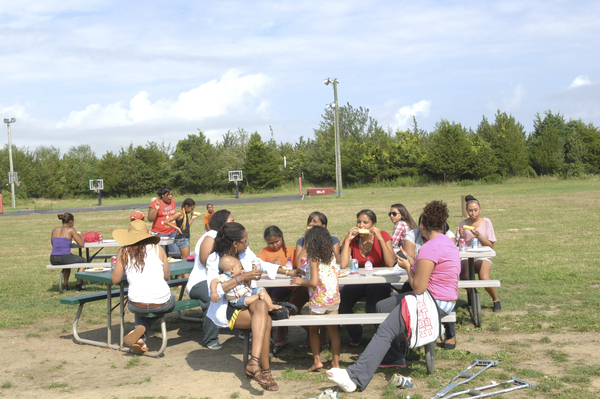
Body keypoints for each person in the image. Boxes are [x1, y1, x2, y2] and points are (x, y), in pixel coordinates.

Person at [327, 200, 461, 393]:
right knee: (381, 306)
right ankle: (394, 357)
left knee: (386, 330)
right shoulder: (448, 243)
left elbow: (418, 287)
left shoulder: (430, 248)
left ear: (422, 227)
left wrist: (408, 268)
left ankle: (354, 377)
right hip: (444, 300)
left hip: (432, 303)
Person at [205, 222, 278, 391]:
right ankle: (264, 370)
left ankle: (254, 363)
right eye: (245, 241)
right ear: (234, 244)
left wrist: (288, 272)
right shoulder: (215, 259)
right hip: (229, 307)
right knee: (266, 321)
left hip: (249, 300)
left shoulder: (244, 254)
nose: (247, 244)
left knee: (261, 304)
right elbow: (215, 290)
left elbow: (262, 264)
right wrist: (241, 278)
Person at [111, 220, 176, 353]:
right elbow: (166, 276)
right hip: (162, 302)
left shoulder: (123, 252)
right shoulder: (158, 249)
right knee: (166, 299)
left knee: (140, 298)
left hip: (135, 304)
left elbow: (115, 279)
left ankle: (140, 336)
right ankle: (140, 334)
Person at [339, 209, 396, 346]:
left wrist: (380, 239)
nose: (361, 226)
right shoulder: (352, 239)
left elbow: (390, 263)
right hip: (359, 280)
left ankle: (380, 340)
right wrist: (347, 241)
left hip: (379, 280)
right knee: (343, 304)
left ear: (373, 224)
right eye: (359, 222)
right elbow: (343, 264)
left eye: (366, 222)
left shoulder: (383, 235)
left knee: (372, 306)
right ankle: (356, 334)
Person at [291, 226, 342, 372]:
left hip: (318, 301)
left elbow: (313, 282)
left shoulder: (314, 259)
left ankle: (317, 361)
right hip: (333, 300)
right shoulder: (332, 256)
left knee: (314, 331)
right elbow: (340, 264)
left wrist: (301, 282)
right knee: (333, 332)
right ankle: (336, 363)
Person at [187, 209, 234, 350]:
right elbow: (204, 260)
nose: (234, 223)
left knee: (241, 293)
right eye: (231, 221)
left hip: (218, 280)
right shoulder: (211, 236)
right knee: (213, 297)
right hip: (200, 282)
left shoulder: (223, 237)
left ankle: (244, 330)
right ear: (222, 223)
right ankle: (210, 338)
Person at [257, 225, 305, 347]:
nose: (274, 245)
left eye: (277, 241)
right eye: (270, 243)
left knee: (276, 298)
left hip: (287, 285)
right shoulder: (264, 252)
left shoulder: (289, 250)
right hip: (269, 285)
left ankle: (281, 330)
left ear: (282, 238)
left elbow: (296, 267)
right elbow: (257, 265)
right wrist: (270, 264)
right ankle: (266, 333)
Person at [457, 195, 500, 311]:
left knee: (484, 276)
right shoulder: (462, 223)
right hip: (466, 256)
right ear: (466, 211)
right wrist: (461, 235)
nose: (473, 213)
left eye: (475, 210)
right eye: (470, 210)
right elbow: (458, 246)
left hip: (482, 255)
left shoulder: (486, 222)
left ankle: (496, 300)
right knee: (464, 275)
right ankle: (473, 295)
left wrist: (479, 236)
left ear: (480, 209)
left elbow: (491, 245)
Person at [210, 255, 280, 311]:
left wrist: (246, 276)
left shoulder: (240, 274)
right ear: (232, 269)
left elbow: (248, 284)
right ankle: (257, 296)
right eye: (238, 267)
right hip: (238, 300)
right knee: (252, 298)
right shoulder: (224, 277)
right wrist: (214, 292)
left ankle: (270, 305)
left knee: (261, 289)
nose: (240, 269)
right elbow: (214, 281)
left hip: (248, 293)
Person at [50, 213, 86, 292]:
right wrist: (81, 235)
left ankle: (65, 285)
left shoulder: (54, 230)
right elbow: (81, 244)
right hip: (64, 257)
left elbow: (53, 244)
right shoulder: (71, 230)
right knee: (83, 261)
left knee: (67, 264)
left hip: (53, 258)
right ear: (70, 222)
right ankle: (78, 286)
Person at [147, 186, 178, 256]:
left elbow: (173, 214)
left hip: (173, 232)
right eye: (168, 195)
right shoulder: (155, 203)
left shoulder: (172, 201)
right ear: (162, 195)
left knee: (175, 254)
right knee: (161, 255)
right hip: (160, 234)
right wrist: (156, 209)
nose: (171, 197)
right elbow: (150, 219)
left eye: (171, 194)